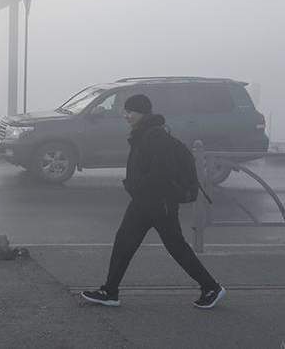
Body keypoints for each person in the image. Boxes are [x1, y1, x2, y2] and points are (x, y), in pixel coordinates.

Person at [81, 94, 226, 309]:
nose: (126, 116)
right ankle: (110, 291)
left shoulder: (155, 136)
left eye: (130, 112)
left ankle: (211, 287)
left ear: (142, 113)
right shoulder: (145, 133)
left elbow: (162, 170)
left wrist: (137, 187)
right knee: (125, 242)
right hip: (147, 201)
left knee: (174, 246)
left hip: (157, 202)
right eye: (125, 111)